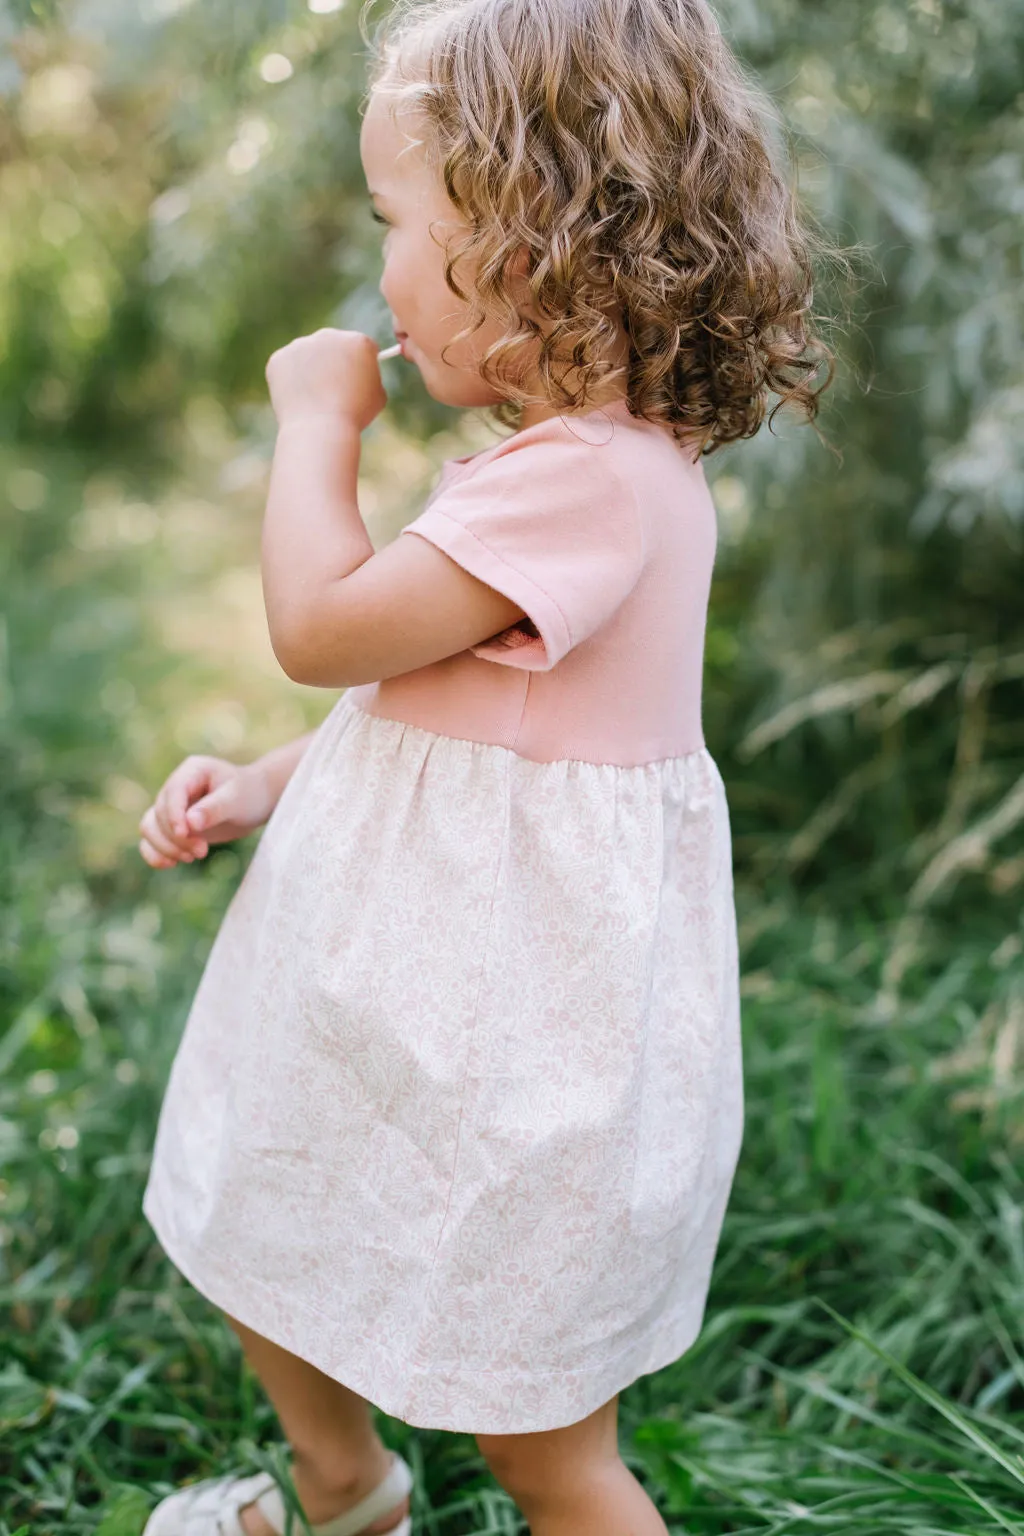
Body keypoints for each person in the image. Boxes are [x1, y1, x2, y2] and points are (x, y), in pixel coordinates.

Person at [137, 1, 838, 1532]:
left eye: (396, 221)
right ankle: (345, 1488)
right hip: (407, 1006)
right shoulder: (579, 474)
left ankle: (360, 1482)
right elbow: (442, 707)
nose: (379, 269)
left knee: (548, 1449)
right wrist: (268, 782)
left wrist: (314, 428)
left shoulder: (589, 486)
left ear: (526, 241)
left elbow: (323, 627)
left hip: (509, 1052)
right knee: (274, 1228)